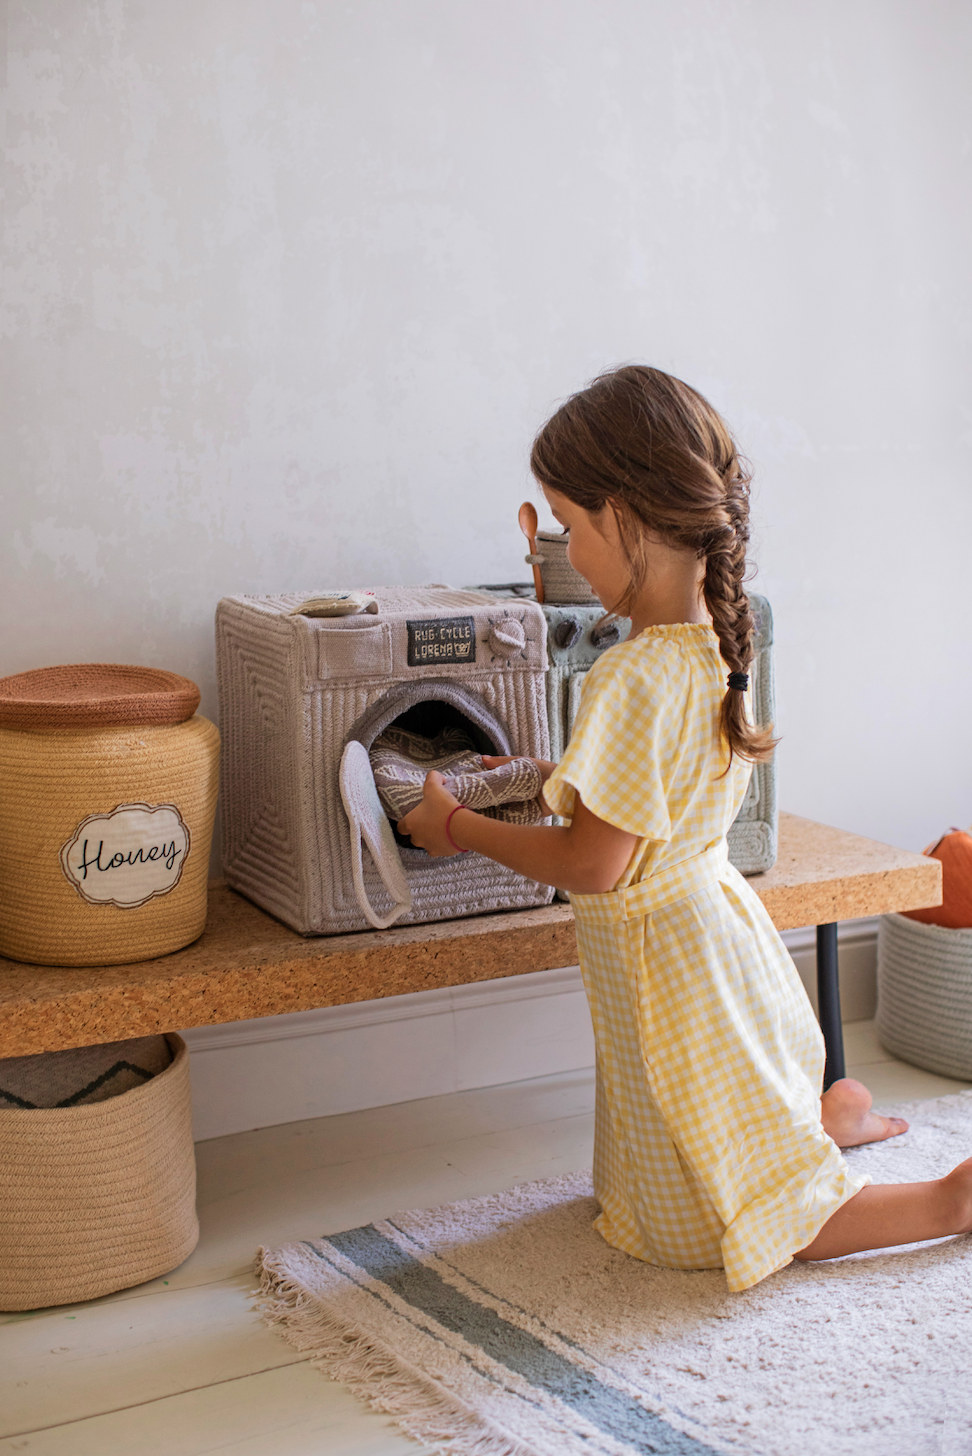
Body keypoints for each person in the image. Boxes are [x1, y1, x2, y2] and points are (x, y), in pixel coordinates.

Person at [399, 364, 972, 1291]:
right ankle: (831, 1117)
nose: (564, 549)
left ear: (627, 516)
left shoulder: (629, 676)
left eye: (571, 525)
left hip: (676, 967)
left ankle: (949, 1200)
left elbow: (592, 861)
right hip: (710, 932)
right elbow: (645, 805)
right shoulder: (709, 643)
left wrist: (458, 826)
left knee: (734, 1220)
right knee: (718, 1131)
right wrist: (543, 779)